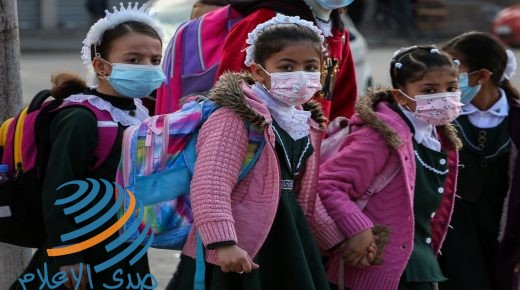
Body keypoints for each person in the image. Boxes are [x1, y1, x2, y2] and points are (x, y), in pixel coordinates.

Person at [167, 14, 347, 290]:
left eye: (310, 66)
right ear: (258, 72)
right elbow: (210, 183)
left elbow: (304, 196)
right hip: (238, 246)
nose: (300, 75)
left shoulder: (305, 122)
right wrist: (222, 242)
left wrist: (336, 239)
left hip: (290, 239)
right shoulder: (234, 117)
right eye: (286, 66)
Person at [10, 3, 165, 289]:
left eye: (155, 60)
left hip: (125, 246)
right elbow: (59, 188)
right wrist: (67, 254)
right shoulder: (82, 117)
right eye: (133, 60)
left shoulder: (142, 113)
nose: (147, 68)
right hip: (81, 250)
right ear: (100, 65)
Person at [319, 46, 462, 290]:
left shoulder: (438, 137)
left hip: (420, 266)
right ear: (400, 96)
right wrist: (358, 229)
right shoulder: (380, 135)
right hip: (374, 271)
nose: (444, 97)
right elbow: (328, 184)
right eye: (429, 90)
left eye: (451, 88)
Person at [155, 0, 359, 121]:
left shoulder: (337, 35)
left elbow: (338, 102)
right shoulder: (263, 20)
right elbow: (232, 91)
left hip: (308, 156)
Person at [439, 32, 520, 290]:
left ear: (482, 76)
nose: (446, 76)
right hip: (456, 235)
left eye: (453, 67)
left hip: (506, 234)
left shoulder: (516, 119)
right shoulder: (442, 116)